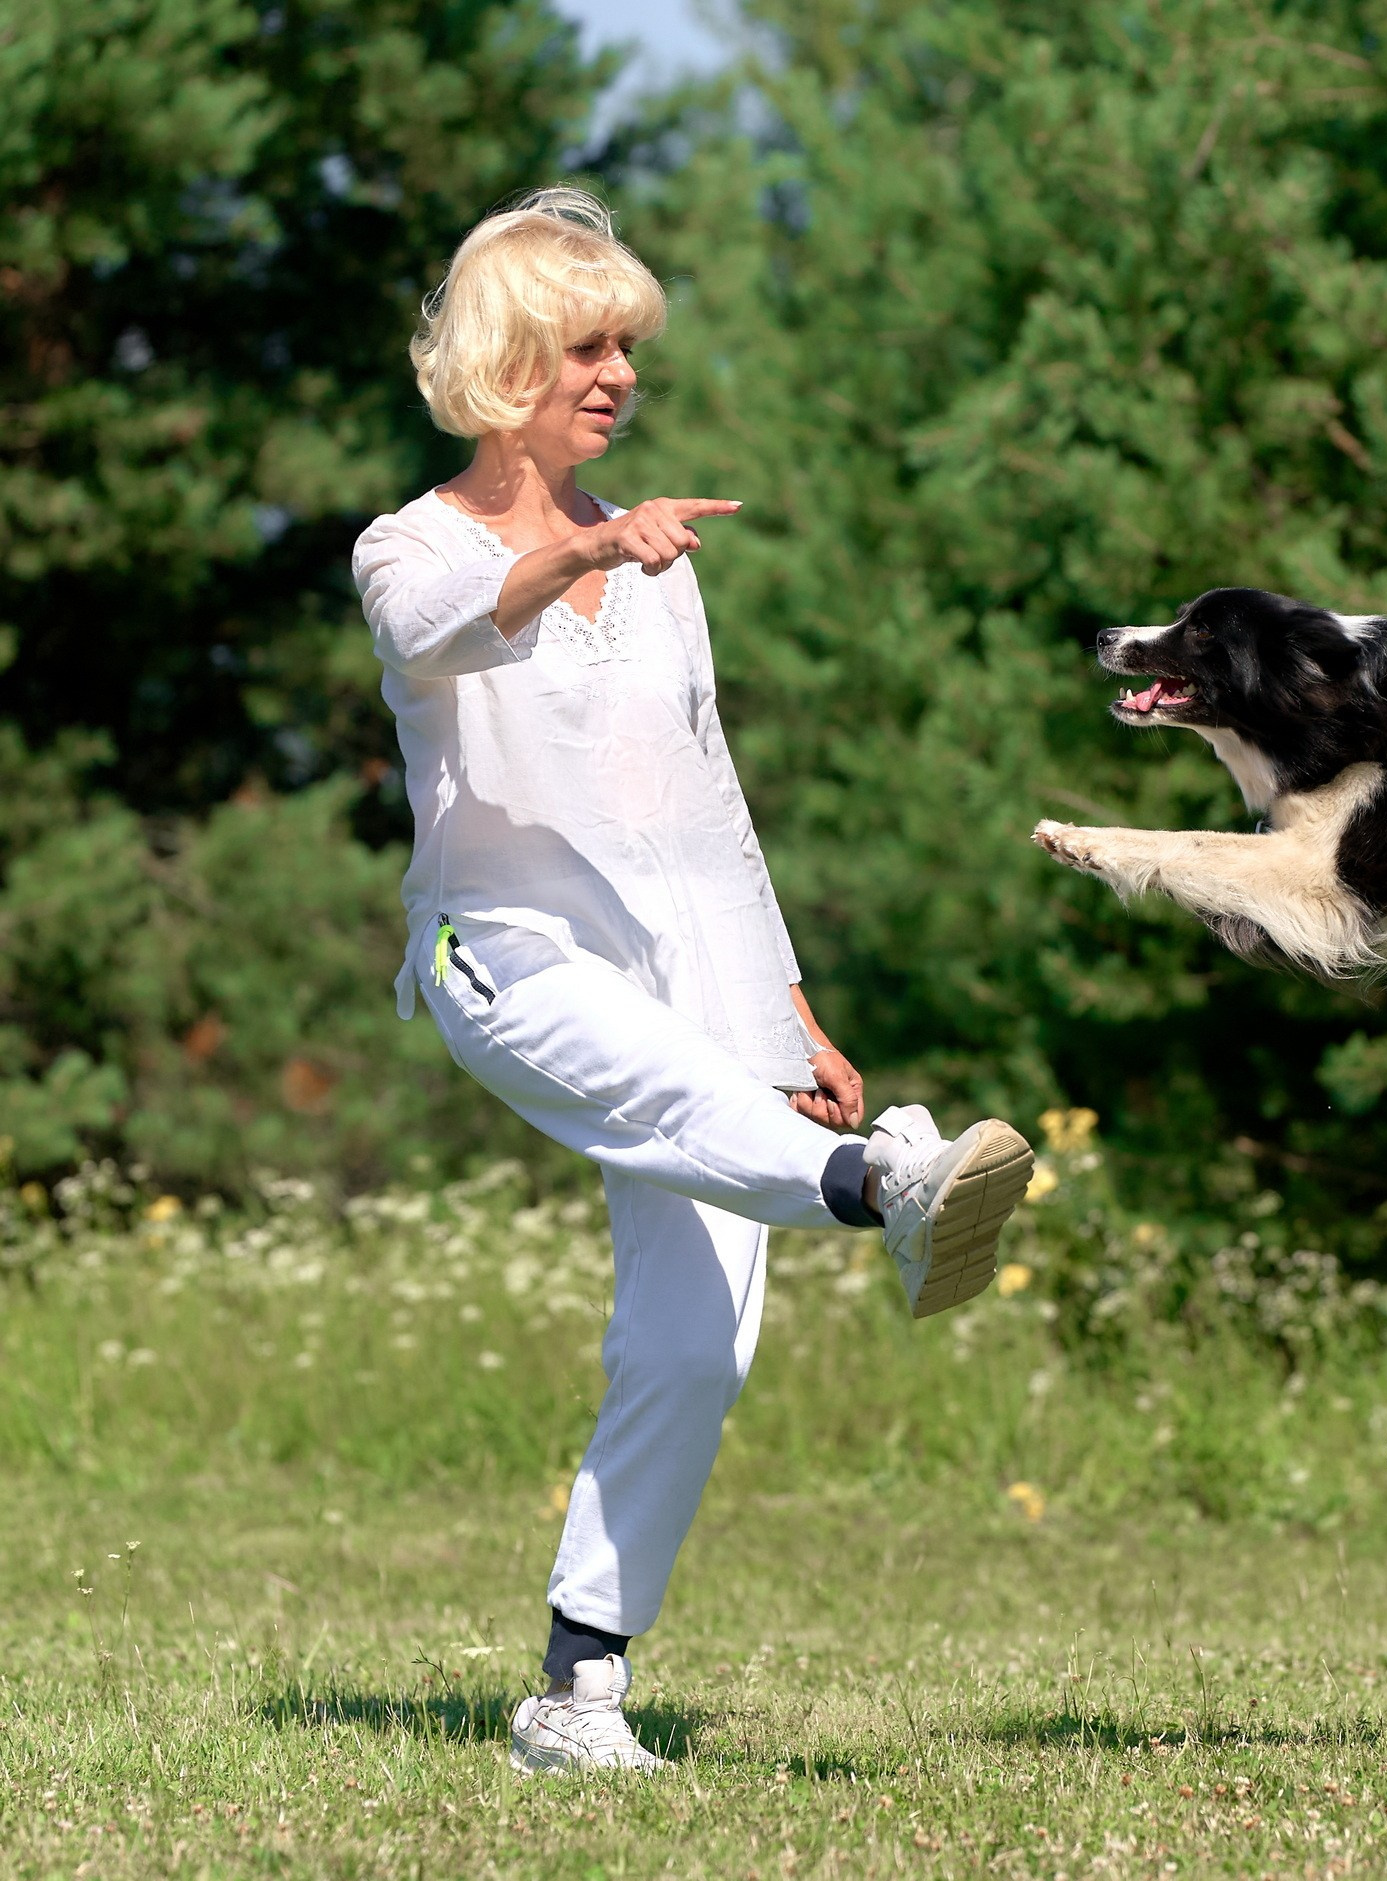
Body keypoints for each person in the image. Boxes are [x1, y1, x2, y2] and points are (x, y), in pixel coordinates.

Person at [353, 187, 1034, 1775]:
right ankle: (891, 1185)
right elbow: (442, 633)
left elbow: (709, 798)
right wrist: (577, 549)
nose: (619, 373)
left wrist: (784, 1010)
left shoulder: (663, 567)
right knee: (674, 1101)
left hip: (689, 965)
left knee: (694, 1336)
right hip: (504, 955)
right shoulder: (411, 543)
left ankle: (571, 1699)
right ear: (512, 359)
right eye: (588, 345)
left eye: (628, 348)